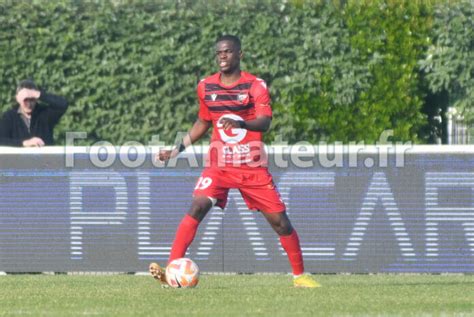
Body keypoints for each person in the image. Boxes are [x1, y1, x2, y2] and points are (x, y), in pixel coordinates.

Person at [150, 35, 320, 288]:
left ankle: (300, 276)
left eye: (228, 52)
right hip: (219, 166)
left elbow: (265, 121)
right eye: (219, 52)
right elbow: (203, 122)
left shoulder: (255, 86)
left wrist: (241, 122)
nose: (222, 56)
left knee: (280, 222)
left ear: (240, 54)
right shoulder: (206, 86)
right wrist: (176, 150)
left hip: (251, 167)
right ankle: (171, 271)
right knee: (197, 205)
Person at [0, 79, 68, 147]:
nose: (29, 104)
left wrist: (37, 94)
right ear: (18, 99)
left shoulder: (44, 113)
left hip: (44, 157)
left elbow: (63, 104)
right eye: (25, 100)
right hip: (19, 157)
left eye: (32, 99)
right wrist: (24, 143)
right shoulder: (9, 117)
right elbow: (2, 140)